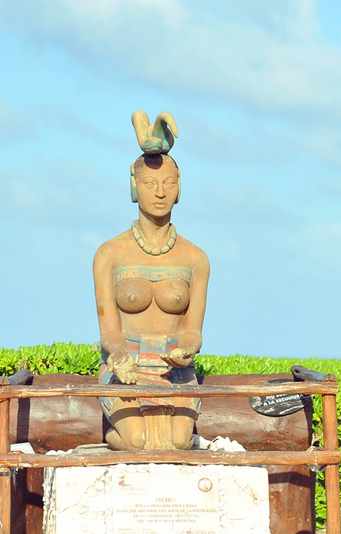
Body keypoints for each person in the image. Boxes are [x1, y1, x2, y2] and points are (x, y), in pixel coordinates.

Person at [93, 111, 209, 451]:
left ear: (179, 187)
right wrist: (119, 357)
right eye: (150, 184)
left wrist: (186, 350)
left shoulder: (195, 259)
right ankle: (113, 433)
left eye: (168, 184)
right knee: (139, 440)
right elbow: (109, 332)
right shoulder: (109, 254)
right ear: (134, 186)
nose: (159, 192)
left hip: (174, 372)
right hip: (125, 366)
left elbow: (192, 330)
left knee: (178, 442)